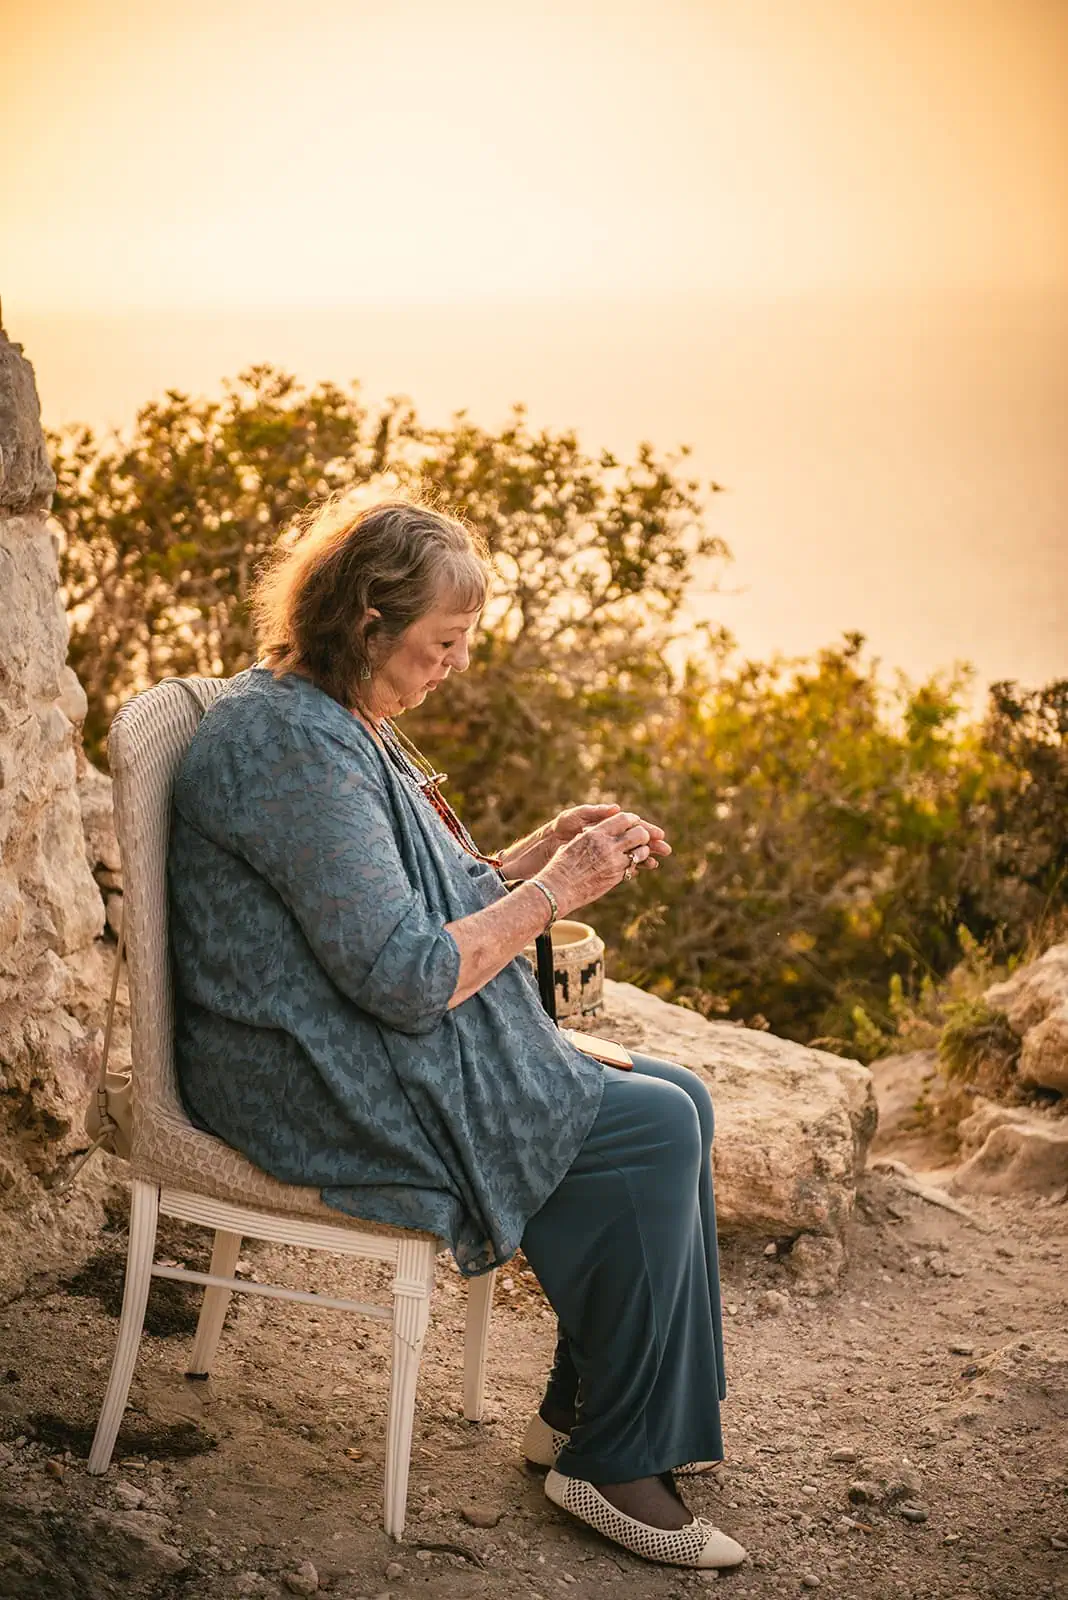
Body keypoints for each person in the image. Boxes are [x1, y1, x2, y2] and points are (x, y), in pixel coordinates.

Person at [168, 498, 746, 1571]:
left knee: (682, 1099)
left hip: (343, 1032)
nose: (454, 666)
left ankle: (586, 1418)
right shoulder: (295, 749)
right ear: (366, 619)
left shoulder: (334, 720)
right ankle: (609, 1461)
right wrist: (560, 890)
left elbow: (404, 909)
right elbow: (406, 972)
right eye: (442, 643)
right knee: (653, 1128)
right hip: (302, 1072)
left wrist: (539, 854)